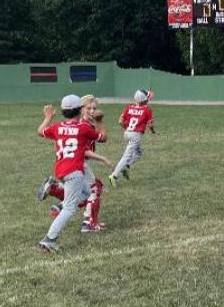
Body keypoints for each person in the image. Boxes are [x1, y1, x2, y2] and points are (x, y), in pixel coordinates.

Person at [36, 94, 105, 253]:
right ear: (81, 110)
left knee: (89, 192)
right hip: (75, 169)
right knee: (69, 209)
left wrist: (47, 117)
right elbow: (103, 138)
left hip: (61, 169)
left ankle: (55, 189)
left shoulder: (57, 127)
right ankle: (49, 240)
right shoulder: (83, 128)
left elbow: (40, 131)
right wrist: (100, 121)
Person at [108, 89, 155, 187]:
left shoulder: (128, 107)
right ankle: (114, 175)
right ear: (145, 100)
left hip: (127, 133)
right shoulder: (147, 109)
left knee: (139, 152)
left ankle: (126, 167)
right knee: (127, 156)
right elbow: (150, 125)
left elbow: (120, 121)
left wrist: (127, 129)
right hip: (135, 135)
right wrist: (153, 131)